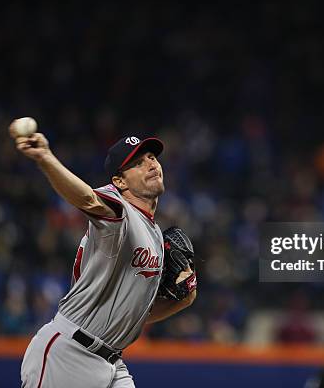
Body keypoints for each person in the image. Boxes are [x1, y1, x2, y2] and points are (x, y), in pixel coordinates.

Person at [10, 126, 197, 388]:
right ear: (120, 182)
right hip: (68, 353)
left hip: (112, 361)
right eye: (138, 163)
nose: (151, 164)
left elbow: (134, 314)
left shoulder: (154, 233)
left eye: (152, 158)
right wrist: (45, 157)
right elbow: (87, 199)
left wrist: (185, 298)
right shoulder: (118, 208)